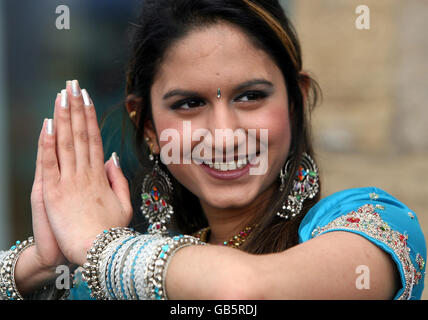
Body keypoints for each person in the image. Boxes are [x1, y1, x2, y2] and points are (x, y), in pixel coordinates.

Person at [0, 0, 425, 300]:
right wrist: (41, 262)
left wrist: (98, 244)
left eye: (250, 96)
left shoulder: (372, 226)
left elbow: (242, 291)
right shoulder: (127, 275)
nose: (223, 134)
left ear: (295, 103)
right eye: (189, 104)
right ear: (148, 127)